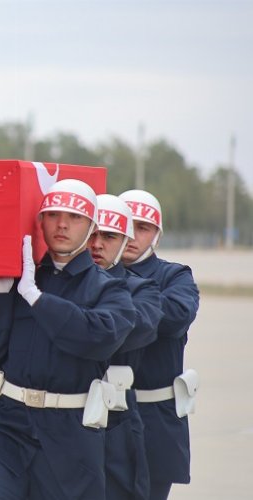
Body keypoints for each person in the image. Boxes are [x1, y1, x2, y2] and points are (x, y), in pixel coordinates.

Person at [0, 179, 136, 500]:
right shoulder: (17, 279)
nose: (61, 224)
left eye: (75, 217)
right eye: (53, 214)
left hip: (70, 434)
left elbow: (98, 336)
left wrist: (36, 298)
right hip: (5, 426)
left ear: (91, 227)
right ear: (39, 221)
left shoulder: (109, 288)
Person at [119, 189, 200, 500]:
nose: (131, 235)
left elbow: (176, 316)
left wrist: (114, 285)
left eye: (143, 227)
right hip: (99, 413)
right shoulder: (92, 274)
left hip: (154, 419)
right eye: (125, 225)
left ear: (157, 235)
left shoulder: (175, 275)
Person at [89, 194, 164, 500]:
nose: (97, 244)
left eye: (109, 236)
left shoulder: (141, 289)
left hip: (115, 418)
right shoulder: (50, 284)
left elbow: (132, 328)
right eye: (93, 234)